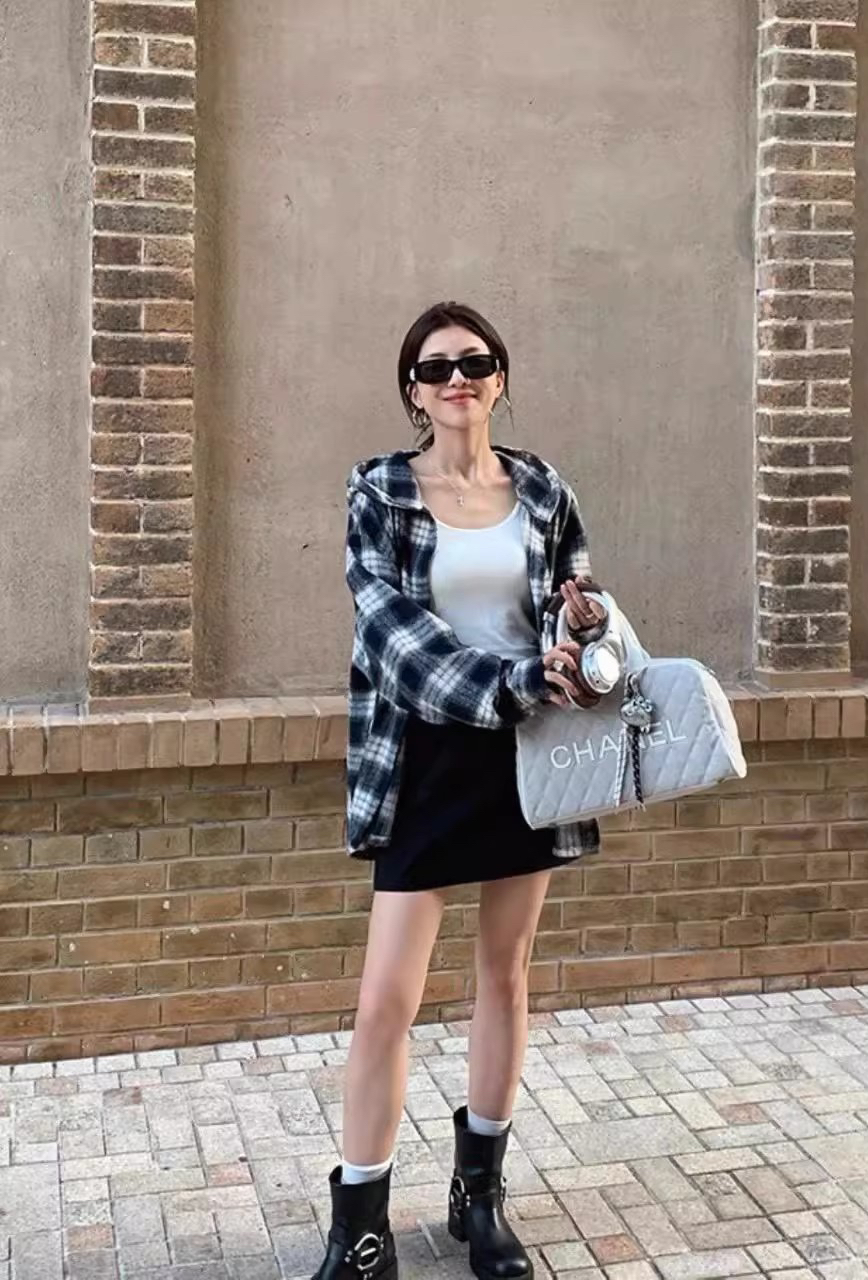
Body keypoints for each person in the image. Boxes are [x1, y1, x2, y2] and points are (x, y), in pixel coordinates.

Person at [313, 302, 606, 1280]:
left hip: (529, 755)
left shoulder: (543, 488)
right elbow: (390, 635)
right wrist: (518, 678)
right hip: (426, 756)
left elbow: (575, 602)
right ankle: (360, 1231)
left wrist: (581, 626)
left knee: (505, 974)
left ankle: (480, 1199)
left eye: (474, 362)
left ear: (499, 377)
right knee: (384, 1001)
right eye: (436, 367)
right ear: (413, 389)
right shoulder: (380, 489)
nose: (457, 379)